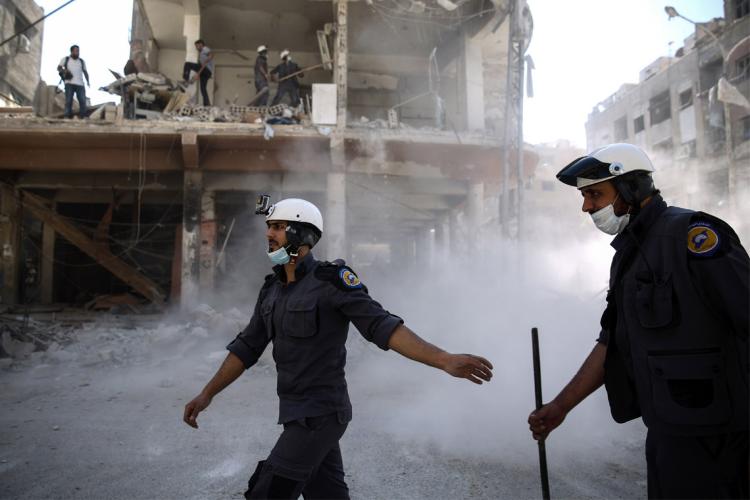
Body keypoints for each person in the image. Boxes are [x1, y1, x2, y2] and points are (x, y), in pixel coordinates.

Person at [184, 198, 494, 499]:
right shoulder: (271, 290)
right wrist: (207, 393)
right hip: (295, 414)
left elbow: (381, 326)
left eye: (278, 227)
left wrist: (443, 359)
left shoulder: (331, 281)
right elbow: (247, 347)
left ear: (301, 234)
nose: (268, 234)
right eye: (269, 226)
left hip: (321, 415)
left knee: (269, 491)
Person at [527, 143, 749, 499]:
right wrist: (559, 407)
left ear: (632, 188)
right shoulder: (628, 256)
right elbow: (612, 341)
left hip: (719, 435)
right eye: (585, 197)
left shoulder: (692, 235)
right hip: (667, 429)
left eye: (595, 194)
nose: (587, 207)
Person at [57, 45, 90, 119]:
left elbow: (85, 72)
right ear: (71, 51)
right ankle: (67, 116)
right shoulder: (66, 59)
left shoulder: (81, 61)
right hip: (69, 83)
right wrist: (64, 71)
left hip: (80, 84)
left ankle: (83, 116)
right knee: (68, 100)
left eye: (78, 51)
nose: (77, 53)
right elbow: (59, 67)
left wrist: (88, 81)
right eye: (76, 51)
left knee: (82, 100)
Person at [182, 39, 214, 106]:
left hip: (206, 70)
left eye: (197, 46)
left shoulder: (205, 49)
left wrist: (198, 73)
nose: (196, 48)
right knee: (203, 89)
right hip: (207, 72)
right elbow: (201, 65)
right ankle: (207, 104)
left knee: (187, 64)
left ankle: (186, 79)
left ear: (201, 45)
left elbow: (211, 55)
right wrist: (198, 75)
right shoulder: (201, 54)